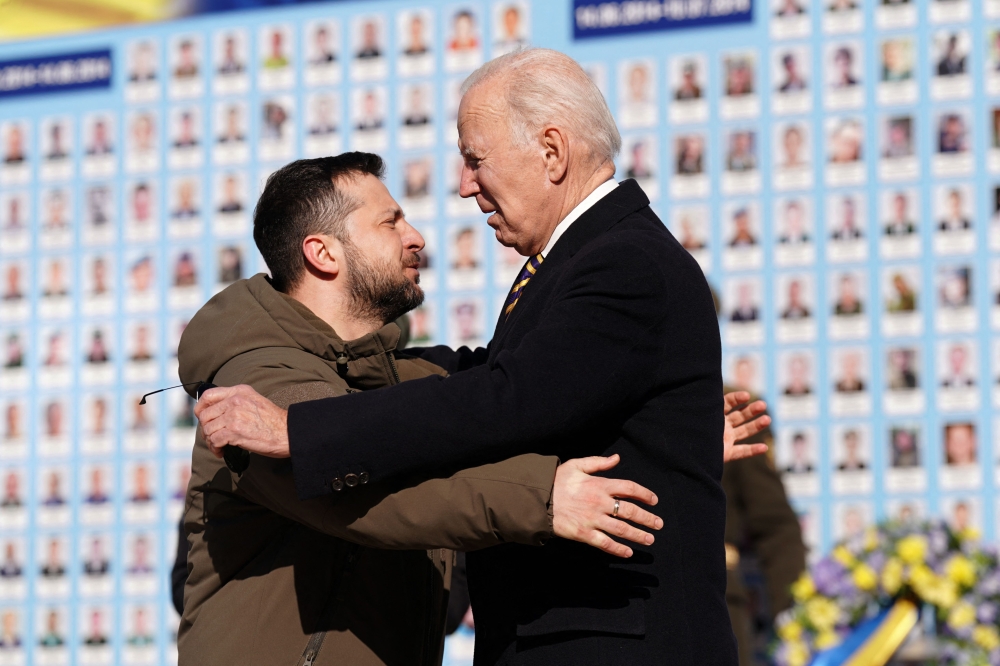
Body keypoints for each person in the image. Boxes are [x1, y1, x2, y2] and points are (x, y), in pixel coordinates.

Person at [195, 49, 769, 664]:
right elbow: (502, 381)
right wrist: (660, 442)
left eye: (476, 158)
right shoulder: (588, 258)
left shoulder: (621, 261)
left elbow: (510, 399)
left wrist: (299, 430)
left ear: (552, 150)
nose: (465, 184)